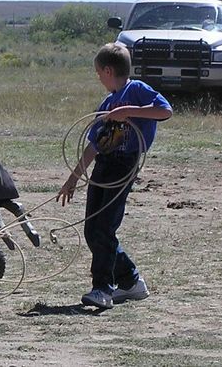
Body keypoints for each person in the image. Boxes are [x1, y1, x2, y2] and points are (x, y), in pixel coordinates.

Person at [57, 43, 173, 310]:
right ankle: (130, 281)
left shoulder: (137, 90)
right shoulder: (107, 103)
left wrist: (129, 111)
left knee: (104, 228)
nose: (98, 78)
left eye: (99, 73)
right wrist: (73, 178)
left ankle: (102, 289)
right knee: (92, 230)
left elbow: (165, 111)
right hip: (104, 166)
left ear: (108, 70)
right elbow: (94, 145)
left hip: (124, 165)